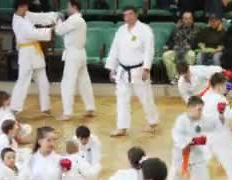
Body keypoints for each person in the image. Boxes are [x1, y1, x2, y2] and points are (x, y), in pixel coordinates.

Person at [106, 6, 160, 137]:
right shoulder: (120, 30)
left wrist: (147, 68)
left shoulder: (145, 30)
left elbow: (149, 50)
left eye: (130, 14)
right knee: (122, 99)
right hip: (123, 70)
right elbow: (114, 49)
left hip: (139, 69)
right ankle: (122, 127)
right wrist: (112, 67)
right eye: (125, 15)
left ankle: (152, 123)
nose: (127, 17)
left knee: (145, 97)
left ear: (136, 15)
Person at [169, 96, 217, 180]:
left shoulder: (202, 119)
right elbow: (177, 137)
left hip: (197, 156)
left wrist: (221, 114)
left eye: (202, 109)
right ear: (190, 108)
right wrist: (193, 141)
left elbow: (214, 124)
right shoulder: (181, 120)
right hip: (180, 156)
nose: (201, 112)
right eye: (199, 109)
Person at [9, 0, 59, 114]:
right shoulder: (17, 21)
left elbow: (39, 17)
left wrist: (55, 15)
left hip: (35, 53)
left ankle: (45, 107)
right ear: (20, 7)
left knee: (43, 82)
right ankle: (15, 108)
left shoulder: (26, 15)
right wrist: (50, 30)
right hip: (26, 54)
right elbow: (32, 33)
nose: (27, 9)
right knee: (23, 81)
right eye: (25, 6)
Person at [202, 72, 232, 180]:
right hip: (220, 134)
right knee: (231, 158)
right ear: (219, 85)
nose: (227, 86)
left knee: (203, 158)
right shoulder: (220, 99)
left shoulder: (205, 96)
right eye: (225, 84)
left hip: (205, 133)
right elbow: (227, 116)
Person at [54, 0, 95, 121]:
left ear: (74, 7)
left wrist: (58, 20)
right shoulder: (79, 20)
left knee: (67, 83)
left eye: (68, 6)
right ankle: (90, 107)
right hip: (80, 53)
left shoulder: (74, 19)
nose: (67, 8)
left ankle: (67, 112)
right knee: (84, 81)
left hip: (73, 54)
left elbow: (59, 30)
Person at [162, 11, 198, 83]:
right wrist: (170, 46)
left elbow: (196, 43)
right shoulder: (176, 29)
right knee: (166, 55)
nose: (188, 21)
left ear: (192, 20)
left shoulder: (197, 30)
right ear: (182, 20)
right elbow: (170, 41)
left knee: (191, 55)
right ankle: (174, 77)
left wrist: (187, 47)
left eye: (189, 18)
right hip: (176, 49)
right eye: (185, 19)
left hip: (188, 50)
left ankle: (186, 77)